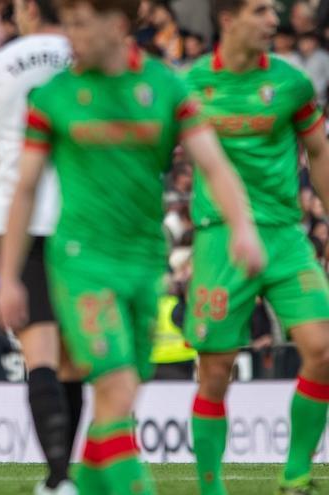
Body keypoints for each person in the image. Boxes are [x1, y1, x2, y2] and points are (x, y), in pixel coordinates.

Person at [0, 0, 263, 493]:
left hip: (144, 266)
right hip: (81, 263)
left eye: (79, 24)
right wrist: (8, 276)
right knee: (114, 388)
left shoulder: (165, 87)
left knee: (116, 410)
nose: (68, 35)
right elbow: (24, 188)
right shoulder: (55, 96)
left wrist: (243, 226)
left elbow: (215, 165)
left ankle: (69, 487)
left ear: (117, 26)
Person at [184, 1, 329, 493]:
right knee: (216, 373)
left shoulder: (292, 84)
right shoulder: (189, 84)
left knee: (323, 349)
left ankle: (296, 473)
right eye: (261, 9)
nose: (274, 20)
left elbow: (319, 152)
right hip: (219, 238)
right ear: (228, 19)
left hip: (286, 235)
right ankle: (211, 487)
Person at [0, 1, 78, 492]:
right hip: (83, 217)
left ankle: (57, 478)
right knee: (75, 361)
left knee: (42, 357)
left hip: (19, 221)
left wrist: (14, 167)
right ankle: (65, 477)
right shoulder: (89, 54)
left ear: (27, 9)